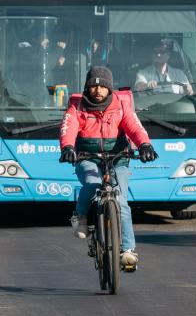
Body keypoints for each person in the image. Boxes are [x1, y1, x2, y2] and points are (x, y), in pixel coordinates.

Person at [58, 66, 158, 269]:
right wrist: (68, 147)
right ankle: (81, 215)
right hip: (88, 157)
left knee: (121, 200)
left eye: (102, 86)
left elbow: (134, 127)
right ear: (87, 88)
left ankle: (128, 251)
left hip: (118, 158)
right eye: (93, 86)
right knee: (92, 183)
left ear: (109, 89)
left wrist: (145, 145)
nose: (97, 90)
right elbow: (68, 128)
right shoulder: (77, 107)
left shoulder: (121, 105)